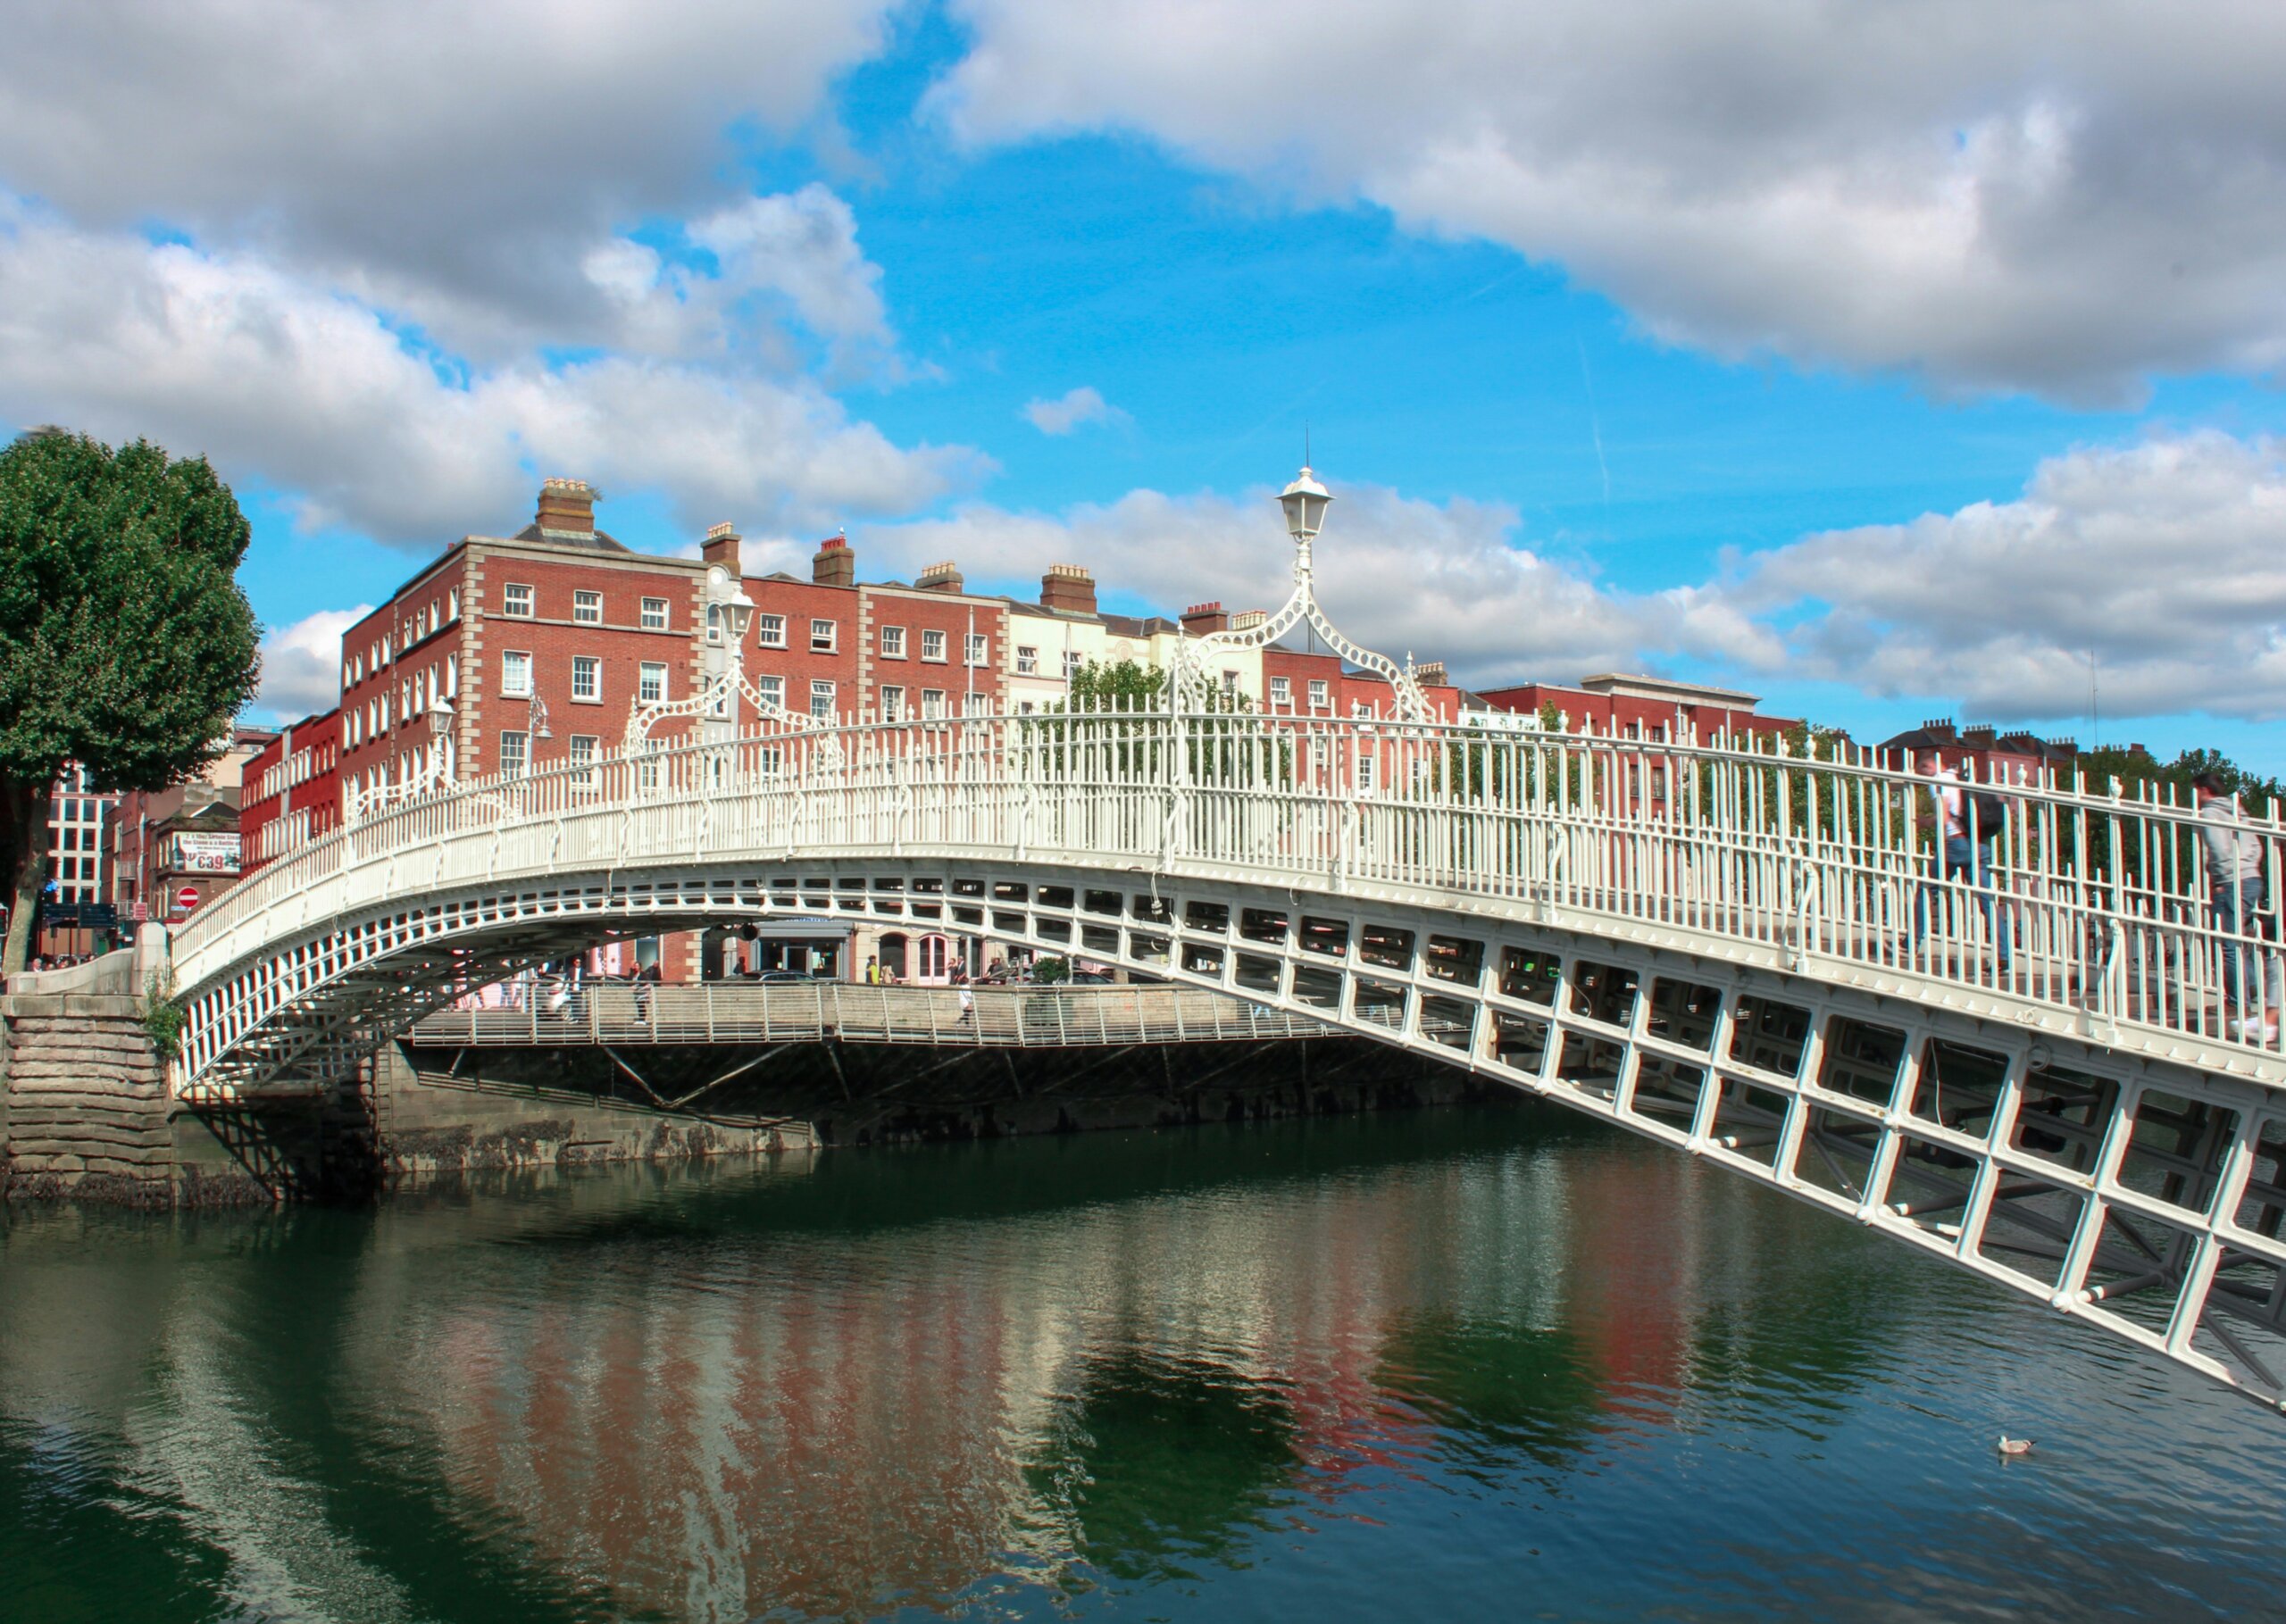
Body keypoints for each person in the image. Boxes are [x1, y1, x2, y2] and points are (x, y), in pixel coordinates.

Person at [2195, 771, 2281, 1041]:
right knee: (2243, 940)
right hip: (2253, 878)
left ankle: (2237, 1000)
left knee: (2230, 944)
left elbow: (2219, 848)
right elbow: (2256, 847)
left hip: (2233, 882)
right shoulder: (2238, 811)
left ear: (2204, 790)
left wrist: (2222, 878)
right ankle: (2252, 988)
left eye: (2196, 791)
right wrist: (2248, 866)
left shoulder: (2210, 814)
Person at [1910, 748, 2009, 972]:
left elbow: (1944, 816)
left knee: (1927, 890)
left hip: (1955, 844)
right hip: (1978, 844)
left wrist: (1925, 822)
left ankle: (1911, 942)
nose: (1922, 779)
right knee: (1987, 902)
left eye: (1921, 773)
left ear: (1928, 767)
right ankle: (2004, 957)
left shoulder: (1938, 781)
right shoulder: (1960, 779)